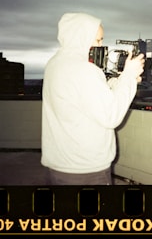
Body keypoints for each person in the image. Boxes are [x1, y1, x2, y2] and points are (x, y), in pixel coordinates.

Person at [41, 12, 145, 185]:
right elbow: (111, 115)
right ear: (81, 37)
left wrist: (121, 81)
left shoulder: (55, 63)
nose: (101, 45)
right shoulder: (84, 69)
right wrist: (128, 76)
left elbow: (89, 95)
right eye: (98, 40)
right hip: (86, 170)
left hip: (60, 164)